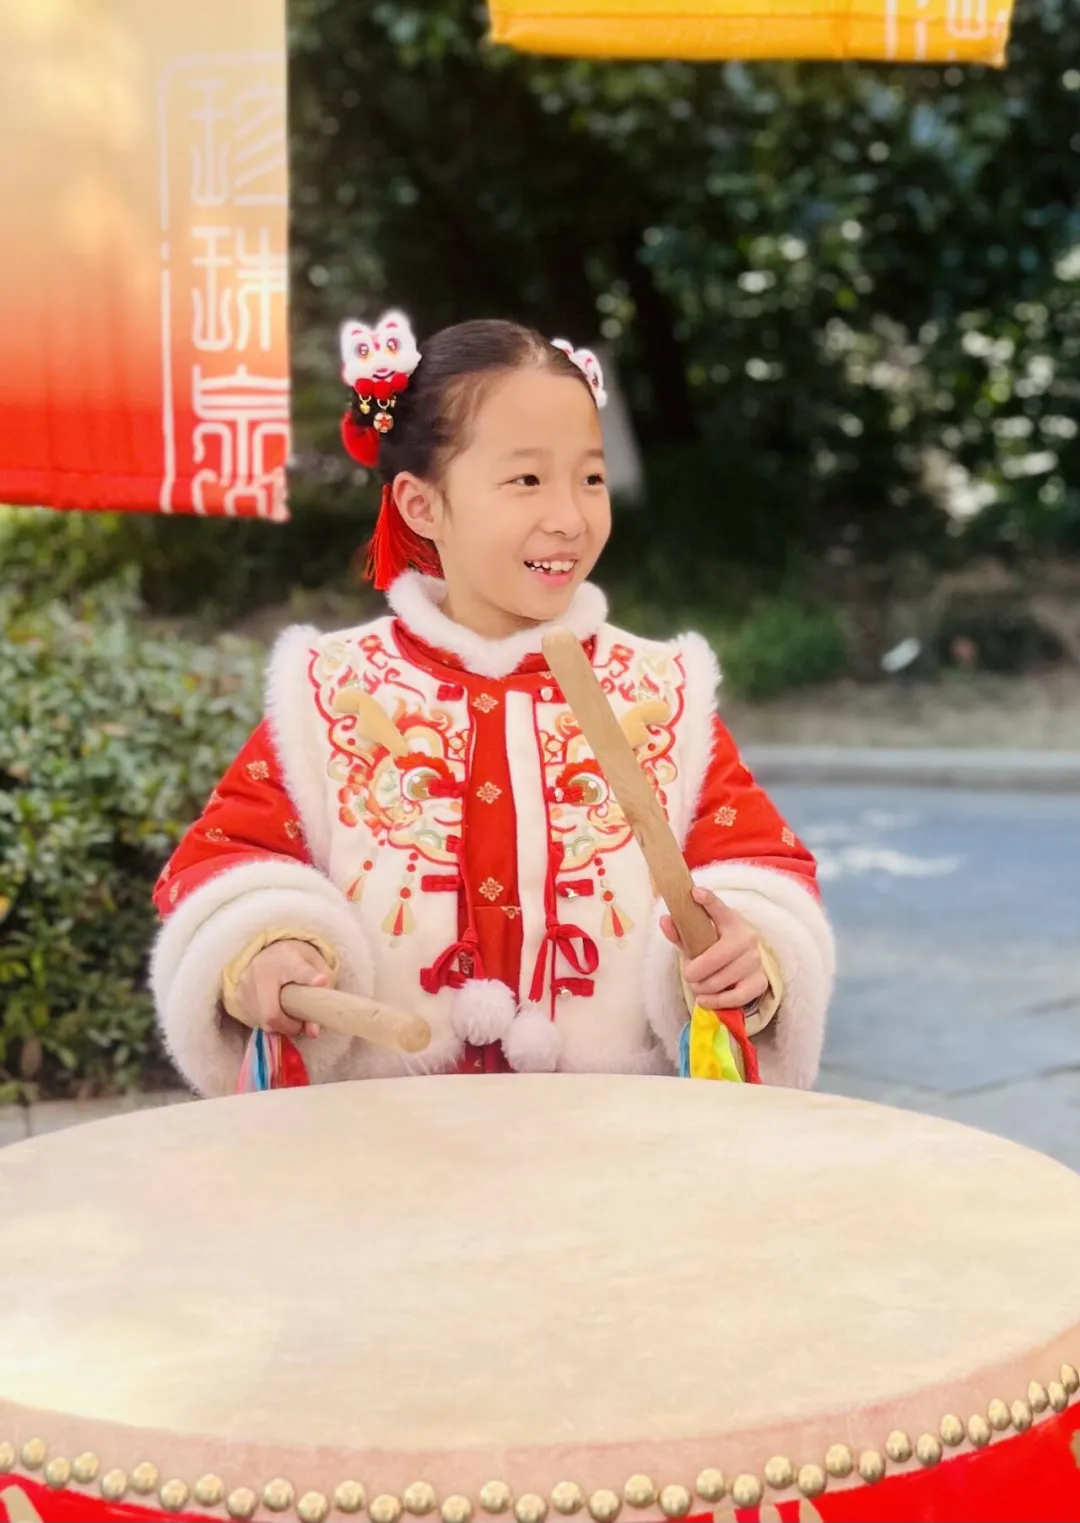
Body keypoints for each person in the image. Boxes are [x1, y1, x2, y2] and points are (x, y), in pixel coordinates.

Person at [150, 312, 834, 1096]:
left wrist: (750, 950)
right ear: (421, 505)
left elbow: (761, 867)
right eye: (526, 480)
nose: (570, 517)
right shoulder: (330, 688)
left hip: (613, 1134)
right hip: (385, 1135)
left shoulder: (663, 693)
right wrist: (264, 947)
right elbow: (225, 861)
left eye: (590, 478)